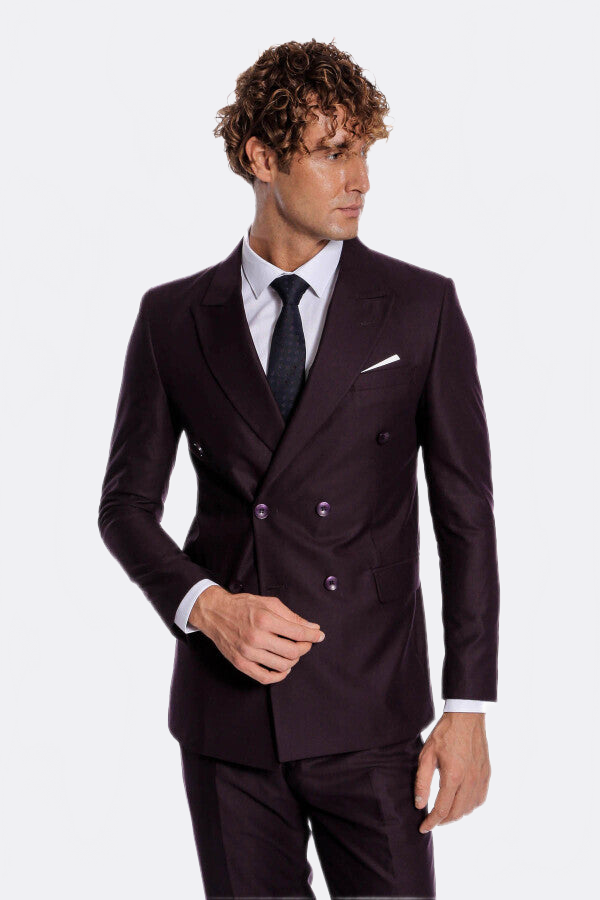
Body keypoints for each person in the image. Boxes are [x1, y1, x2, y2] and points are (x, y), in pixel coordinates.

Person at [98, 38, 500, 900]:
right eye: (333, 152)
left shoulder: (420, 306)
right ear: (262, 158)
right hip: (228, 711)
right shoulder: (173, 317)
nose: (361, 180)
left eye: (365, 152)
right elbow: (125, 505)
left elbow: (465, 517)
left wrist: (467, 708)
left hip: (371, 710)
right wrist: (207, 606)